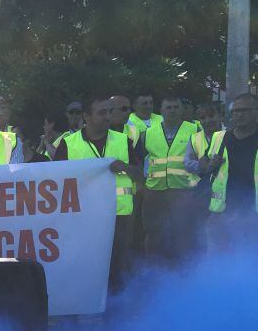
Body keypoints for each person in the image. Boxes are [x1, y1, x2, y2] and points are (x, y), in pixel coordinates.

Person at [55, 97, 143, 293]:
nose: (108, 117)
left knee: (117, 268)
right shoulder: (69, 144)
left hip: (119, 216)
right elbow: (57, 181)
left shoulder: (122, 140)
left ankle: (114, 314)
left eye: (109, 112)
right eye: (102, 113)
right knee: (84, 265)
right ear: (86, 116)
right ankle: (82, 310)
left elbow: (140, 176)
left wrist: (125, 167)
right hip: (83, 217)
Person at [187, 93, 258, 250]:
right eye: (235, 111)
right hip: (222, 213)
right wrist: (209, 164)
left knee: (250, 259)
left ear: (256, 112)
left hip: (253, 214)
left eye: (244, 110)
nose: (239, 114)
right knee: (218, 258)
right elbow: (203, 163)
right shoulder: (219, 137)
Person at [141, 95, 199, 261]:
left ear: (182, 110)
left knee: (184, 231)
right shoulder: (149, 133)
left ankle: (184, 269)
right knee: (152, 231)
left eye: (176, 107)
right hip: (154, 191)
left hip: (183, 191)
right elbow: (140, 160)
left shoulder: (194, 131)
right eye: (168, 107)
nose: (172, 110)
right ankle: (152, 267)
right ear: (161, 111)